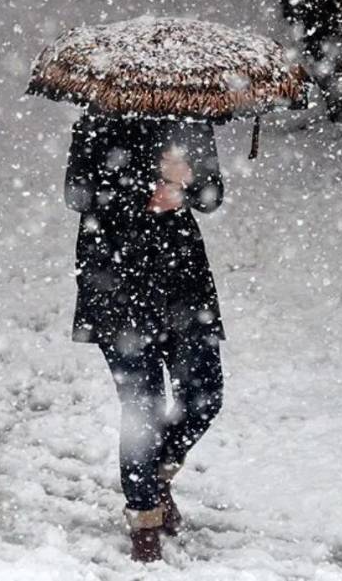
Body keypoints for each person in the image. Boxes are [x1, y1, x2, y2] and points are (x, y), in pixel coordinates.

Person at [63, 107, 226, 562]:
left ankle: (154, 477)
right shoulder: (98, 122)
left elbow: (212, 196)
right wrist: (149, 185)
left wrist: (188, 183)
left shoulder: (191, 119)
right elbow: (78, 194)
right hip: (116, 280)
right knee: (143, 407)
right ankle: (144, 521)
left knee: (205, 394)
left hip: (183, 282)